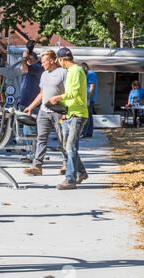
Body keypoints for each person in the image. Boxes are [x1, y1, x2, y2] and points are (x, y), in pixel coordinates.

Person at [22, 50, 68, 176]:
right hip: (43, 111)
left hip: (58, 111)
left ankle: (66, 164)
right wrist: (31, 106)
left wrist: (66, 111)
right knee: (41, 138)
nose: (42, 65)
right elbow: (42, 93)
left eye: (44, 62)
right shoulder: (44, 74)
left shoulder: (63, 73)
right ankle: (37, 166)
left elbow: (69, 93)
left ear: (52, 60)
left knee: (62, 139)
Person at [48, 47, 88, 190]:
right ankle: (82, 172)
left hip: (78, 114)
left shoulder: (76, 71)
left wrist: (57, 98)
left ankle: (70, 180)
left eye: (59, 61)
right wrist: (60, 107)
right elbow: (71, 96)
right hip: (70, 113)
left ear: (61, 60)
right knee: (67, 147)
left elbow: (74, 93)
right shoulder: (71, 71)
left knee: (70, 146)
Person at [19, 42, 44, 163]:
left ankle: (33, 155)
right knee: (26, 130)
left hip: (32, 105)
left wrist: (24, 57)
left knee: (31, 131)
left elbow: (22, 67)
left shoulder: (38, 68)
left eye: (27, 60)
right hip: (27, 104)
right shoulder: (33, 68)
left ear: (31, 60)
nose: (25, 62)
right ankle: (31, 153)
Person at [80, 63, 98, 138]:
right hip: (89, 97)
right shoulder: (90, 74)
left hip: (89, 98)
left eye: (82, 69)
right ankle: (89, 133)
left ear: (85, 67)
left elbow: (92, 86)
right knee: (89, 115)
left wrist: (88, 97)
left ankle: (85, 132)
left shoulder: (91, 74)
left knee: (86, 115)